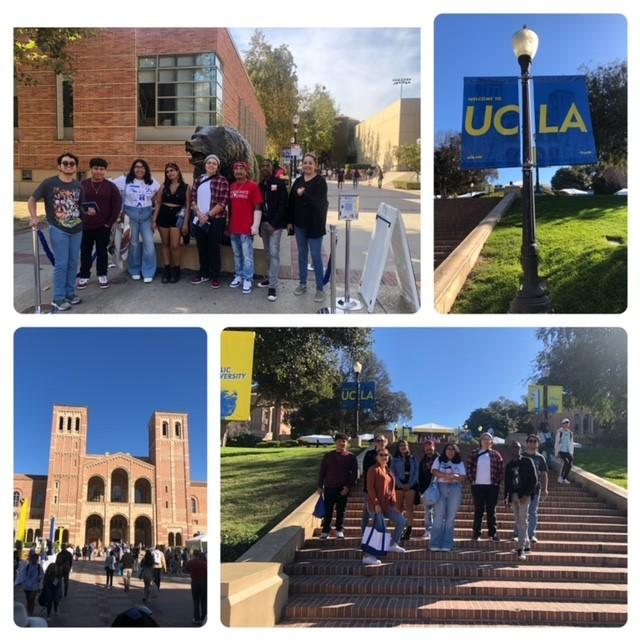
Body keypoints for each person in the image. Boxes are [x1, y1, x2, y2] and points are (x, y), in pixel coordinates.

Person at [27, 152, 83, 311]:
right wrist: (34, 216)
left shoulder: (78, 185)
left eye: (72, 163)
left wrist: (88, 212)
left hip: (77, 229)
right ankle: (58, 297)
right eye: (65, 163)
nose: (69, 166)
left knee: (73, 263)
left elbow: (81, 206)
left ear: (76, 167)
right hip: (59, 228)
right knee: (62, 263)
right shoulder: (49, 183)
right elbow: (32, 199)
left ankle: (70, 293)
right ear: (59, 166)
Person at [287, 153, 329, 303]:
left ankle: (319, 288)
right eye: (305, 163)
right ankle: (302, 284)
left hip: (315, 225)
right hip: (299, 225)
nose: (307, 165)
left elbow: (320, 204)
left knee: (316, 256)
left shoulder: (320, 182)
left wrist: (304, 194)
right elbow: (291, 202)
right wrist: (290, 221)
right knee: (302, 254)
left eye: (310, 163)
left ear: (315, 165)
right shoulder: (297, 181)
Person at [112, 158, 161, 283]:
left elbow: (158, 201)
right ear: (133, 168)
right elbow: (110, 187)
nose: (139, 169)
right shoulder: (124, 180)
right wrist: (119, 212)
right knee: (133, 244)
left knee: (149, 244)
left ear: (146, 169)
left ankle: (148, 271)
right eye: (137, 167)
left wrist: (154, 219)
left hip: (146, 216)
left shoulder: (152, 182)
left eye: (142, 167)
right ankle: (134, 269)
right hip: (130, 216)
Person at [77, 157, 122, 291]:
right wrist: (84, 212)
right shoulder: (82, 184)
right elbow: (75, 203)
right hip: (85, 226)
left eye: (102, 169)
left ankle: (102, 274)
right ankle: (84, 275)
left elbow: (117, 206)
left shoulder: (111, 186)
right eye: (96, 168)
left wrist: (109, 223)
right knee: (85, 252)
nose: (99, 171)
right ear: (91, 169)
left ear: (105, 171)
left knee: (102, 252)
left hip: (104, 226)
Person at [190, 154, 229, 288]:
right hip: (199, 219)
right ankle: (203, 273)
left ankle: (215, 275)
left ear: (217, 167)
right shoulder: (198, 179)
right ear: (205, 165)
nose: (211, 165)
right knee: (202, 247)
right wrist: (199, 213)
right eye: (209, 163)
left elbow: (223, 202)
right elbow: (193, 198)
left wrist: (207, 215)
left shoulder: (222, 180)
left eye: (214, 163)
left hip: (216, 220)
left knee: (213, 248)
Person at [363, 448, 407, 565]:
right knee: (380, 529)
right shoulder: (373, 469)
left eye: (386, 455)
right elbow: (370, 489)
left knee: (402, 521)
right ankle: (368, 556)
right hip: (375, 506)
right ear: (377, 457)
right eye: (381, 455)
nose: (384, 457)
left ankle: (392, 544)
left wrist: (394, 505)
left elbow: (391, 491)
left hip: (387, 506)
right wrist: (376, 504)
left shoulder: (388, 471)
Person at [228, 161, 263, 294]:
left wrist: (255, 225)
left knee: (247, 255)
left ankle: (248, 278)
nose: (238, 171)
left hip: (247, 228)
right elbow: (230, 208)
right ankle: (239, 275)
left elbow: (257, 207)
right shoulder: (232, 186)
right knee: (237, 255)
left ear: (246, 171)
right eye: (236, 169)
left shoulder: (253, 186)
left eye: (241, 169)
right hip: (234, 227)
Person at [153, 162, 190, 283]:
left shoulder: (186, 187)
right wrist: (154, 220)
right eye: (167, 171)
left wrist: (185, 224)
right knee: (165, 244)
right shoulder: (163, 186)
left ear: (178, 171)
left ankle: (176, 269)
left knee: (175, 245)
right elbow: (158, 203)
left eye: (172, 170)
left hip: (177, 217)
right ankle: (167, 269)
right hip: (163, 216)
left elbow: (188, 206)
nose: (170, 173)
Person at [257, 159, 288, 302]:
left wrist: (273, 224)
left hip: (275, 226)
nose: (264, 168)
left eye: (267, 166)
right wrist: (259, 225)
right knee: (268, 253)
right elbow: (257, 207)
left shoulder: (280, 183)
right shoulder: (260, 185)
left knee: (274, 253)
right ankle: (269, 278)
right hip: (263, 224)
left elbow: (283, 206)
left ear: (272, 168)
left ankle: (273, 286)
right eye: (262, 166)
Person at [316, 433, 358, 539]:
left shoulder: (351, 457)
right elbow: (322, 472)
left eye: (344, 441)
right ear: (336, 443)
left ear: (347, 443)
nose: (342, 443)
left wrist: (348, 487)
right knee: (328, 510)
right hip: (329, 487)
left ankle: (339, 530)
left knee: (341, 510)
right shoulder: (328, 456)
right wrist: (320, 486)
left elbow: (354, 475)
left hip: (343, 489)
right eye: (339, 441)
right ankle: (326, 531)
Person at [466, 432, 504, 542]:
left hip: (492, 486)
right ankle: (476, 533)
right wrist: (472, 480)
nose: (486, 441)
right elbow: (469, 467)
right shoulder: (474, 453)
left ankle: (493, 533)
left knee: (491, 510)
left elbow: (501, 470)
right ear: (480, 441)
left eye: (488, 439)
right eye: (484, 439)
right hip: (477, 485)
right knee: (479, 510)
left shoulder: (496, 454)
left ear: (491, 442)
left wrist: (497, 482)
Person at [504, 441, 538, 561]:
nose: (515, 449)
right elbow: (507, 483)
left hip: (524, 495)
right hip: (513, 495)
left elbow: (534, 480)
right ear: (511, 450)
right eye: (513, 447)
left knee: (522, 521)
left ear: (520, 449)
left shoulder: (527, 461)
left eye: (517, 447)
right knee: (518, 521)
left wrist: (527, 494)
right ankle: (526, 545)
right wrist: (506, 498)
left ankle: (520, 549)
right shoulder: (509, 465)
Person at [430, 443, 466, 552]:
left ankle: (447, 543)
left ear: (456, 451)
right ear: (445, 451)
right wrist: (445, 475)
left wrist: (455, 477)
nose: (450, 451)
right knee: (438, 517)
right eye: (448, 449)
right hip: (440, 488)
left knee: (450, 518)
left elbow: (463, 477)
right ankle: (435, 543)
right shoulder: (439, 459)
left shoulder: (459, 462)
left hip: (454, 489)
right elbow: (434, 471)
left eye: (453, 449)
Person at [521, 434, 549, 544]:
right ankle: (518, 534)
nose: (532, 443)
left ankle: (532, 534)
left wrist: (545, 488)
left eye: (535, 441)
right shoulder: (521, 456)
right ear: (527, 443)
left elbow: (544, 474)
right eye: (531, 441)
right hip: (523, 490)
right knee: (522, 513)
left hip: (536, 489)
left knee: (533, 512)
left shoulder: (540, 458)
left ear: (537, 444)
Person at [390, 439, 419, 540]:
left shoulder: (413, 459)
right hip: (399, 485)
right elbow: (392, 473)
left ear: (408, 447)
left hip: (411, 486)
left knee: (409, 508)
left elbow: (416, 473)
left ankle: (409, 530)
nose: (403, 447)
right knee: (398, 508)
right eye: (401, 445)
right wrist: (400, 484)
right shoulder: (395, 459)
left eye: (405, 445)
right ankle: (399, 529)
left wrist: (410, 484)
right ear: (398, 448)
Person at [360, 433, 389, 533]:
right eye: (378, 441)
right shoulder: (369, 454)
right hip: (369, 489)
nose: (381, 443)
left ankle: (378, 535)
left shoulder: (388, 455)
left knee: (380, 512)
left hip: (383, 491)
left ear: (386, 442)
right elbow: (365, 470)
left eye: (382, 441)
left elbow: (390, 473)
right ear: (375, 443)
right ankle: (364, 534)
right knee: (367, 512)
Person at [418, 439, 439, 539]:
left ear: (434, 447)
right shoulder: (422, 460)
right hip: (426, 489)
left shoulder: (439, 459)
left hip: (438, 488)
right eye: (426, 448)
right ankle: (428, 530)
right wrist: (421, 490)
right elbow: (420, 475)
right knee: (427, 511)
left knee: (438, 511)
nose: (428, 449)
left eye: (430, 447)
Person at [16, 550, 44, 616]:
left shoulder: (39, 567)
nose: (34, 560)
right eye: (33, 558)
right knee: (28, 599)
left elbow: (42, 575)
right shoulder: (27, 566)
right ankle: (28, 611)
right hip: (27, 586)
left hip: (35, 587)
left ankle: (30, 612)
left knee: (32, 599)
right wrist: (19, 582)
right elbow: (22, 574)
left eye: (35, 559)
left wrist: (40, 580)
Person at [186, 549, 207, 625]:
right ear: (199, 554)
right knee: (204, 601)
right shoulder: (204, 563)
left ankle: (196, 618)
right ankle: (203, 617)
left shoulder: (190, 562)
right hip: (203, 582)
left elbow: (187, 570)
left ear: (194, 554)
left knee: (196, 601)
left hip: (194, 582)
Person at [555, 418, 575, 483]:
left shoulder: (570, 433)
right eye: (565, 423)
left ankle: (564, 478)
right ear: (563, 424)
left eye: (567, 423)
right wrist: (556, 453)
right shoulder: (560, 432)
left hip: (567, 451)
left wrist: (571, 452)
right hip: (561, 451)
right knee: (565, 462)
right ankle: (560, 477)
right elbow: (556, 443)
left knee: (570, 463)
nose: (566, 425)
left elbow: (571, 443)